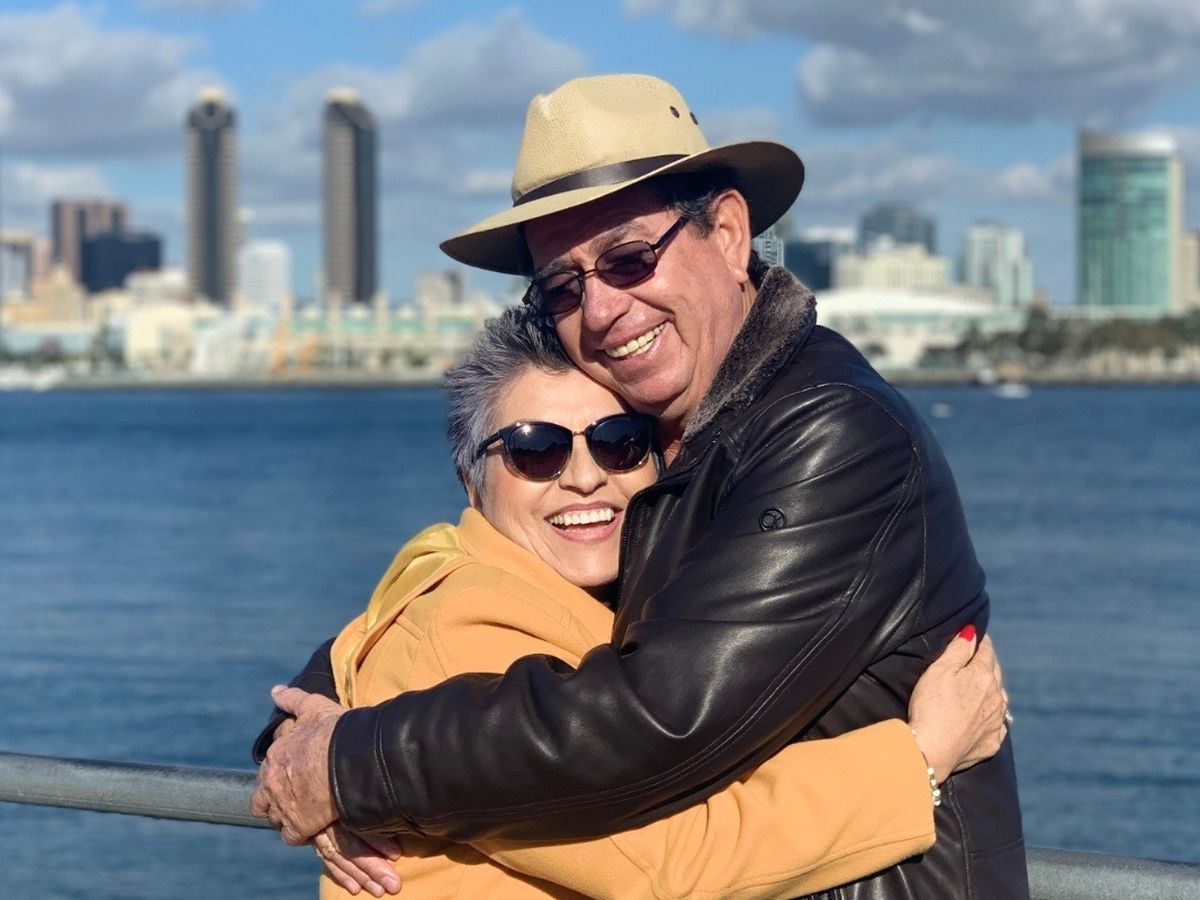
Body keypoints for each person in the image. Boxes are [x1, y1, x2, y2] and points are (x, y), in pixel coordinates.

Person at [253, 74, 1028, 899]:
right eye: (563, 287)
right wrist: (300, 731)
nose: (601, 310)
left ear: (729, 234)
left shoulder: (828, 433)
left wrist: (349, 763)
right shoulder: (670, 427)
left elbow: (660, 718)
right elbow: (430, 602)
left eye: (629, 259)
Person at [298, 307, 1008, 898]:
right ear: (470, 478)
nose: (584, 478)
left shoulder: (557, 592)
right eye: (536, 450)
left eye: (619, 444)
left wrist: (308, 739)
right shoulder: (465, 623)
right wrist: (919, 758)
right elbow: (669, 859)